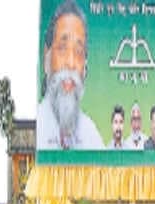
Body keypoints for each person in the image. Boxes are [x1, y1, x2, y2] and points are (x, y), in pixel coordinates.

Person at [37, 0, 104, 150]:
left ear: (85, 68)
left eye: (79, 52)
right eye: (62, 48)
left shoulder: (91, 135)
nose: (71, 63)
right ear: (46, 56)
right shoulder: (38, 128)